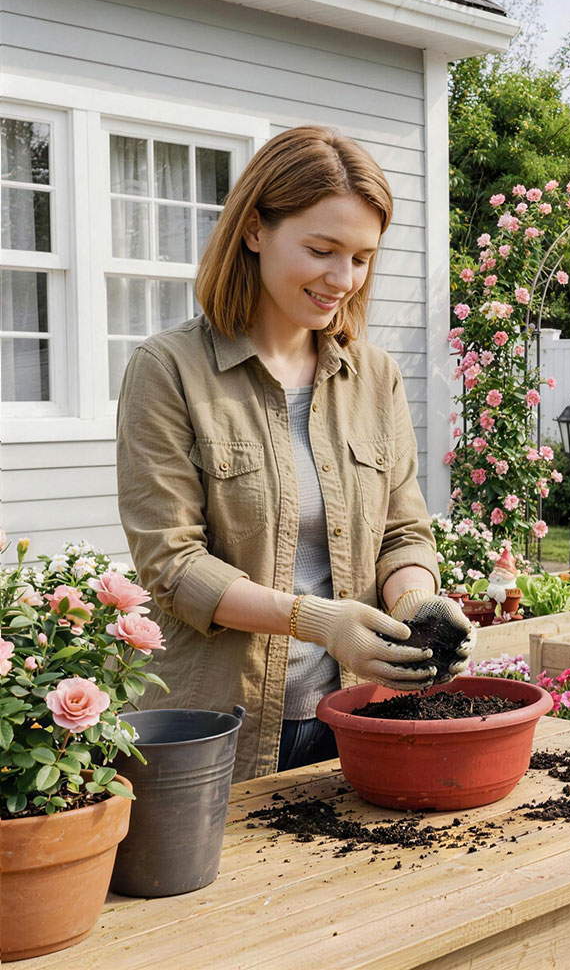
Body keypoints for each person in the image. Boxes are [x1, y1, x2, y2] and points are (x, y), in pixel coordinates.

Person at [115, 126, 475, 782]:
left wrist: (414, 602)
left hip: (358, 719)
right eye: (322, 249)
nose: (344, 278)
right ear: (254, 229)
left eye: (362, 257)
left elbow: (402, 533)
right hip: (214, 730)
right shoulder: (168, 370)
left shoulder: (375, 377)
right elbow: (173, 565)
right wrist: (319, 621)